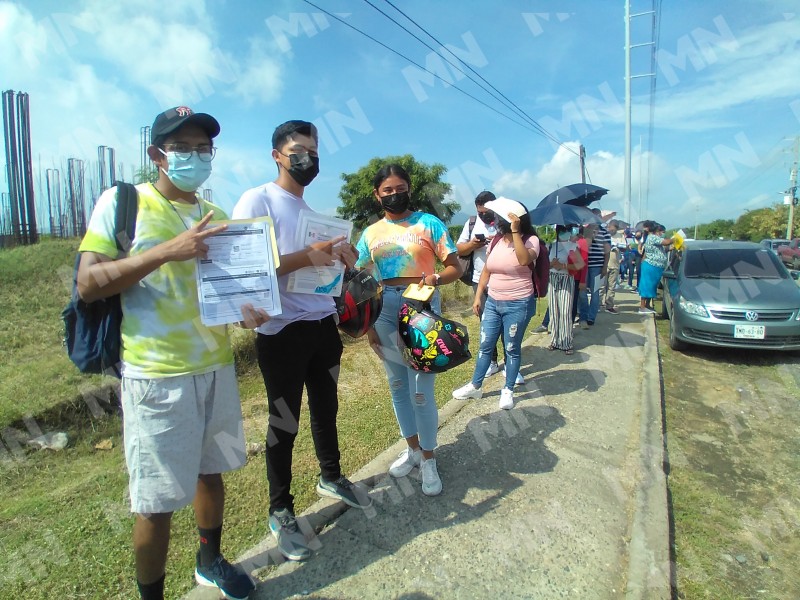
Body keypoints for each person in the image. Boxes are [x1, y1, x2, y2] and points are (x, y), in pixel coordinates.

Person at [77, 107, 265, 600]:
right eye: (184, 147)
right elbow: (89, 283)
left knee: (212, 472)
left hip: (217, 369)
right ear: (156, 154)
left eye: (204, 148)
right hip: (157, 376)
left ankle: (210, 561)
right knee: (155, 501)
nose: (196, 156)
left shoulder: (218, 216)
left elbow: (224, 294)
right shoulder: (126, 204)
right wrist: (165, 251)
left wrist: (246, 313)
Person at [232, 120, 371, 563]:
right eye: (299, 150)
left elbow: (323, 273)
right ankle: (281, 510)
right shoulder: (257, 199)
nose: (307, 157)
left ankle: (331, 475)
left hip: (321, 326)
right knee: (284, 421)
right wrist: (315, 254)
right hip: (281, 332)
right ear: (278, 154)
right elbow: (251, 268)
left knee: (326, 408)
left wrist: (342, 260)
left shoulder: (313, 212)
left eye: (313, 150)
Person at [356, 163, 462, 497]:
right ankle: (413, 449)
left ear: (409, 189)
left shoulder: (428, 223)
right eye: (387, 190)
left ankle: (429, 459)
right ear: (377, 195)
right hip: (384, 308)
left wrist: (434, 279)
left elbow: (455, 267)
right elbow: (359, 276)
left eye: (399, 188)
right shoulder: (370, 233)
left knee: (421, 390)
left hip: (423, 307)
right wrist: (367, 322)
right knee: (398, 384)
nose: (394, 194)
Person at [452, 197, 539, 409]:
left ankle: (508, 389)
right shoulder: (497, 241)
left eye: (501, 218)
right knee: (485, 345)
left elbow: (523, 260)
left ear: (516, 220)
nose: (496, 221)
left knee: (511, 347)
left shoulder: (531, 241)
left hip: (518, 303)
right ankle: (476, 386)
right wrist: (478, 295)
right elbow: (487, 270)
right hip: (493, 301)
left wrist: (516, 232)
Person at [456, 191, 507, 379]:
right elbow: (459, 248)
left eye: (487, 212)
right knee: (487, 323)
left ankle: (509, 363)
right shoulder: (470, 223)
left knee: (506, 322)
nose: (483, 215)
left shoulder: (504, 221)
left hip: (503, 279)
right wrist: (473, 245)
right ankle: (492, 361)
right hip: (479, 280)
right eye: (480, 212)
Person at [547, 224, 585, 354]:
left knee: (565, 311)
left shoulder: (572, 246)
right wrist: (551, 264)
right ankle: (554, 340)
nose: (565, 233)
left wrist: (563, 265)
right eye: (562, 231)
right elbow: (543, 265)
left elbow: (579, 264)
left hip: (566, 279)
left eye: (567, 230)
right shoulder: (551, 245)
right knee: (554, 311)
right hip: (552, 279)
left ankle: (566, 342)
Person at [638, 221, 673, 314]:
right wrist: (675, 239)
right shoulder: (652, 237)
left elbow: (662, 249)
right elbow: (666, 242)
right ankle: (642, 307)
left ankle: (647, 305)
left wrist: (671, 248)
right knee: (647, 285)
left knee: (652, 286)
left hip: (655, 266)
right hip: (651, 265)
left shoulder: (652, 238)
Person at [601, 219, 621, 314]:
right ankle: (599, 305)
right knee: (601, 286)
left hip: (615, 264)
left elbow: (625, 247)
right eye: (611, 227)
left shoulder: (620, 236)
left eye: (615, 228)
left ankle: (609, 305)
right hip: (605, 264)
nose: (612, 229)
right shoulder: (604, 235)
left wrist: (618, 247)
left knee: (611, 287)